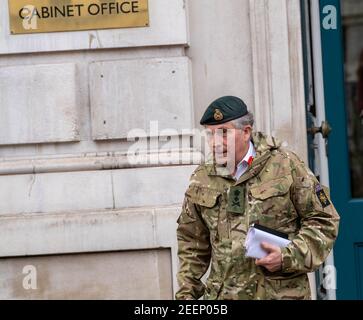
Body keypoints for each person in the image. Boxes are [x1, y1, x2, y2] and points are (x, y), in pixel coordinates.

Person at [175, 96, 340, 300]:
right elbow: (191, 243)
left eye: (224, 133)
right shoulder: (202, 178)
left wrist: (287, 256)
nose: (215, 143)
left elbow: (324, 220)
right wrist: (185, 296)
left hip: (279, 294)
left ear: (246, 132)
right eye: (210, 135)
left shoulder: (286, 166)